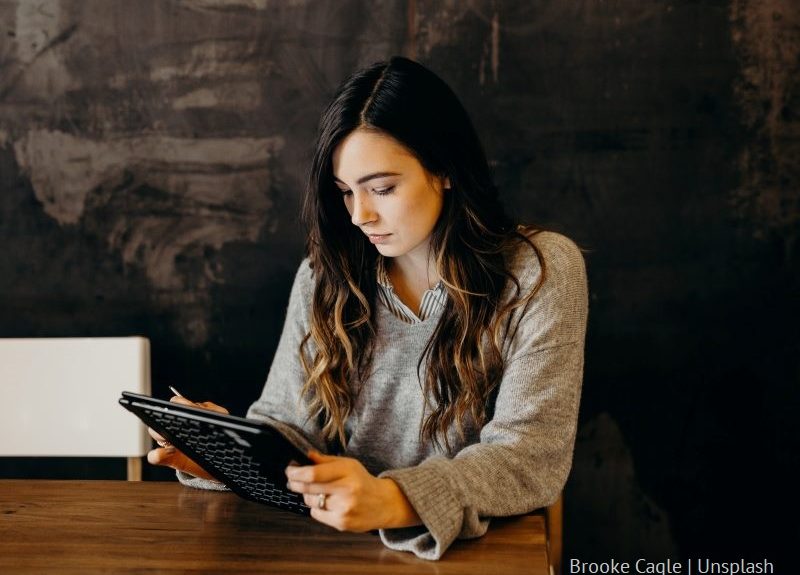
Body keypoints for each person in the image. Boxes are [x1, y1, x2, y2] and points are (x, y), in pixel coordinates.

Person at [147, 56, 588, 560]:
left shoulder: (539, 272)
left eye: (382, 188)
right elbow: (291, 430)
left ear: (444, 169)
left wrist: (393, 499)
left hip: (481, 555)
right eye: (345, 193)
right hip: (338, 552)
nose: (360, 215)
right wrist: (223, 454)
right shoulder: (323, 277)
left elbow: (530, 456)